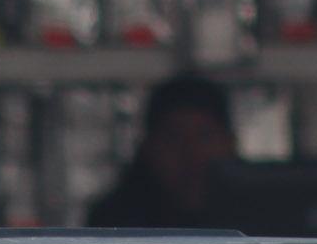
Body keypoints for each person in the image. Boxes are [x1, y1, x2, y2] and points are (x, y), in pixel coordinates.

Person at [87, 72, 237, 229]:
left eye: (205, 137)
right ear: (149, 146)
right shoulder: (114, 222)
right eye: (174, 138)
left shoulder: (256, 212)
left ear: (229, 142)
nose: (191, 152)